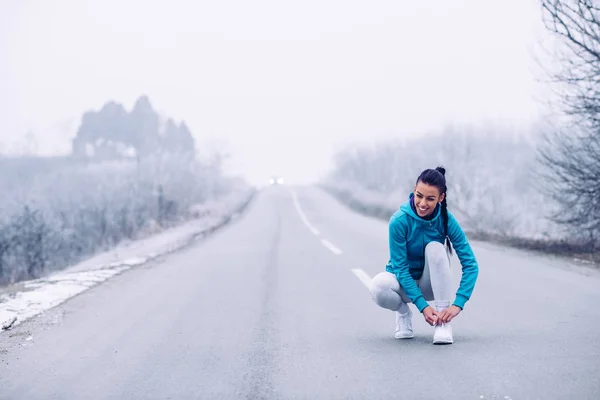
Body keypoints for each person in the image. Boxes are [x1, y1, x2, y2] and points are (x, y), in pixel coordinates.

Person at [369, 167, 479, 344]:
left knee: (436, 247)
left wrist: (458, 303)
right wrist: (422, 307)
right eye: (419, 195)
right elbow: (401, 269)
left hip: (431, 285)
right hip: (404, 285)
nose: (422, 203)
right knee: (377, 287)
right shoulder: (399, 221)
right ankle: (403, 313)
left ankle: (442, 322)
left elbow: (471, 265)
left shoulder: (446, 220)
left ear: (441, 198)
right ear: (414, 190)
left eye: (430, 198)